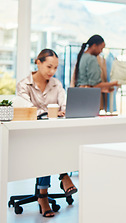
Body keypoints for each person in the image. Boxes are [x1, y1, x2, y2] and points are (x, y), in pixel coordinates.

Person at [16, 49, 78, 217]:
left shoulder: (56, 84)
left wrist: (62, 111)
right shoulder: (24, 85)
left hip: (52, 134)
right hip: (31, 136)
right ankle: (62, 177)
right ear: (38, 62)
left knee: (52, 141)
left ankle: (44, 194)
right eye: (49, 66)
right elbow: (26, 110)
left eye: (56, 68)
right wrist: (48, 113)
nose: (52, 71)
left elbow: (65, 106)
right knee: (46, 144)